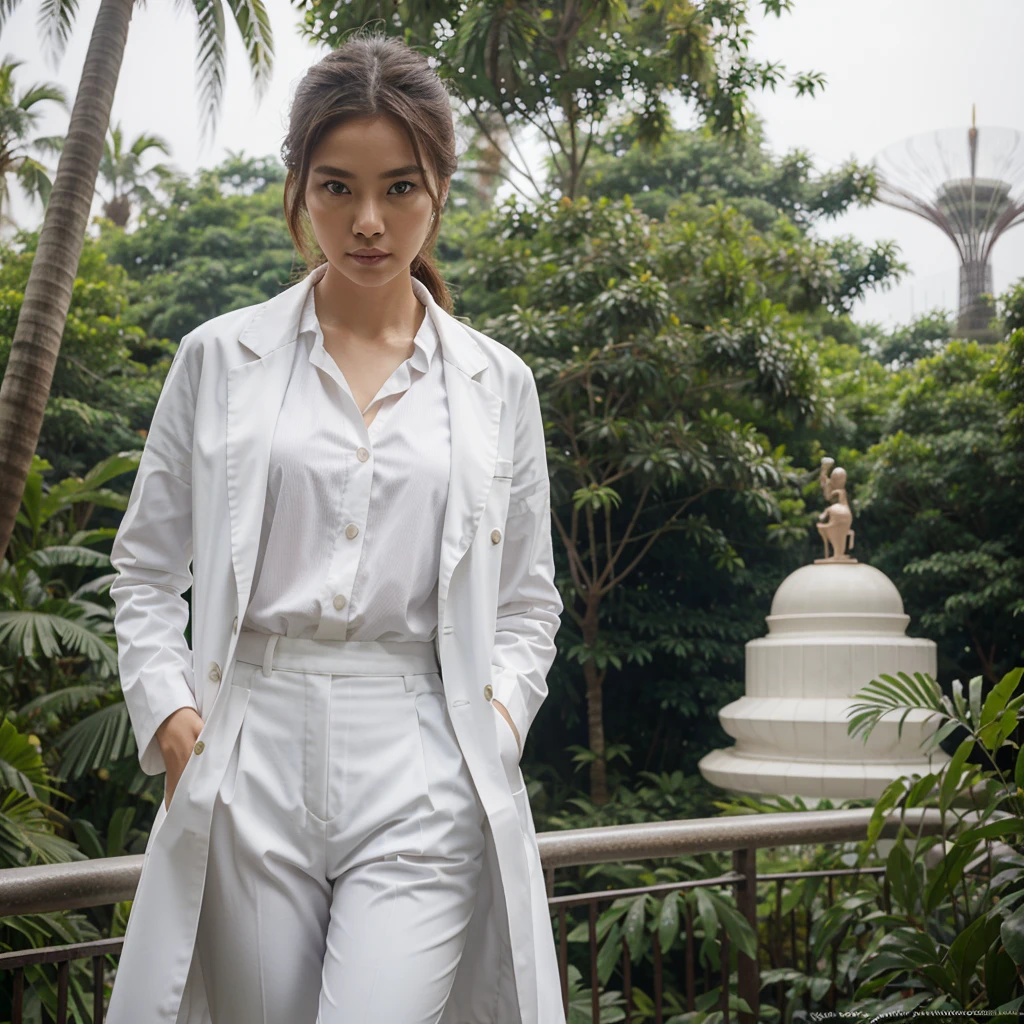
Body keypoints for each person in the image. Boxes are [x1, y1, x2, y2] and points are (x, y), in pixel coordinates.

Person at [105, 27, 564, 1024]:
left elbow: (529, 598)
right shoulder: (217, 359)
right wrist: (170, 710)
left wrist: (495, 725)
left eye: (399, 187)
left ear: (439, 189)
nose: (368, 221)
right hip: (250, 737)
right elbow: (144, 569)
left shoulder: (495, 384)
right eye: (336, 187)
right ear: (299, 189)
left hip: (421, 745)